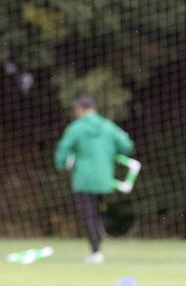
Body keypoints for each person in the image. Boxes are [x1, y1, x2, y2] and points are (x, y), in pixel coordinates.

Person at [54, 95, 134, 264]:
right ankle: (99, 240)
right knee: (98, 213)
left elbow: (63, 150)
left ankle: (96, 251)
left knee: (88, 215)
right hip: (105, 180)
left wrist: (62, 163)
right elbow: (127, 145)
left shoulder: (76, 128)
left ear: (79, 110)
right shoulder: (108, 126)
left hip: (83, 180)